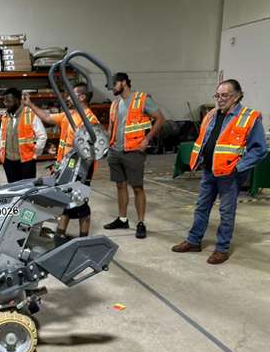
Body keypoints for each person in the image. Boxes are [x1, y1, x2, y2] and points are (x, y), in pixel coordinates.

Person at [172, 79, 267, 264]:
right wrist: (199, 158)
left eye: (225, 95)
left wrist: (238, 167)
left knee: (226, 211)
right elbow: (205, 139)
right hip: (209, 171)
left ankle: (222, 248)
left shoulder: (249, 117)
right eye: (218, 95)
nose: (220, 99)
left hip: (230, 175)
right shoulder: (212, 115)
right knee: (201, 207)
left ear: (238, 96)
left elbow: (259, 149)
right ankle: (194, 241)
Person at [23, 83, 99, 237]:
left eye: (71, 95)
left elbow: (93, 147)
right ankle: (60, 235)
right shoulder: (69, 115)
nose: (67, 98)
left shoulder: (90, 119)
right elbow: (47, 117)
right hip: (66, 168)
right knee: (65, 202)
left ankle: (82, 238)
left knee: (80, 204)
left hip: (81, 170)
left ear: (82, 97)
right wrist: (30, 104)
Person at [104, 72, 165, 239]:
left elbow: (160, 119)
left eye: (114, 85)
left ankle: (140, 223)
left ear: (124, 82)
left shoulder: (142, 99)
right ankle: (122, 219)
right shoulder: (114, 104)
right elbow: (111, 129)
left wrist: (147, 139)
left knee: (138, 187)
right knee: (120, 186)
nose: (112, 89)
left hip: (134, 151)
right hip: (115, 151)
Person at [0, 87, 47, 183]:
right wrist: (2, 152)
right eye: (5, 102)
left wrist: (35, 154)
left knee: (27, 188)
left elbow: (42, 136)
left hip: (26, 161)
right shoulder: (5, 116)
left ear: (18, 100)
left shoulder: (30, 114)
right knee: (13, 187)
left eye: (9, 101)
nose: (6, 104)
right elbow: (1, 136)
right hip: (8, 161)